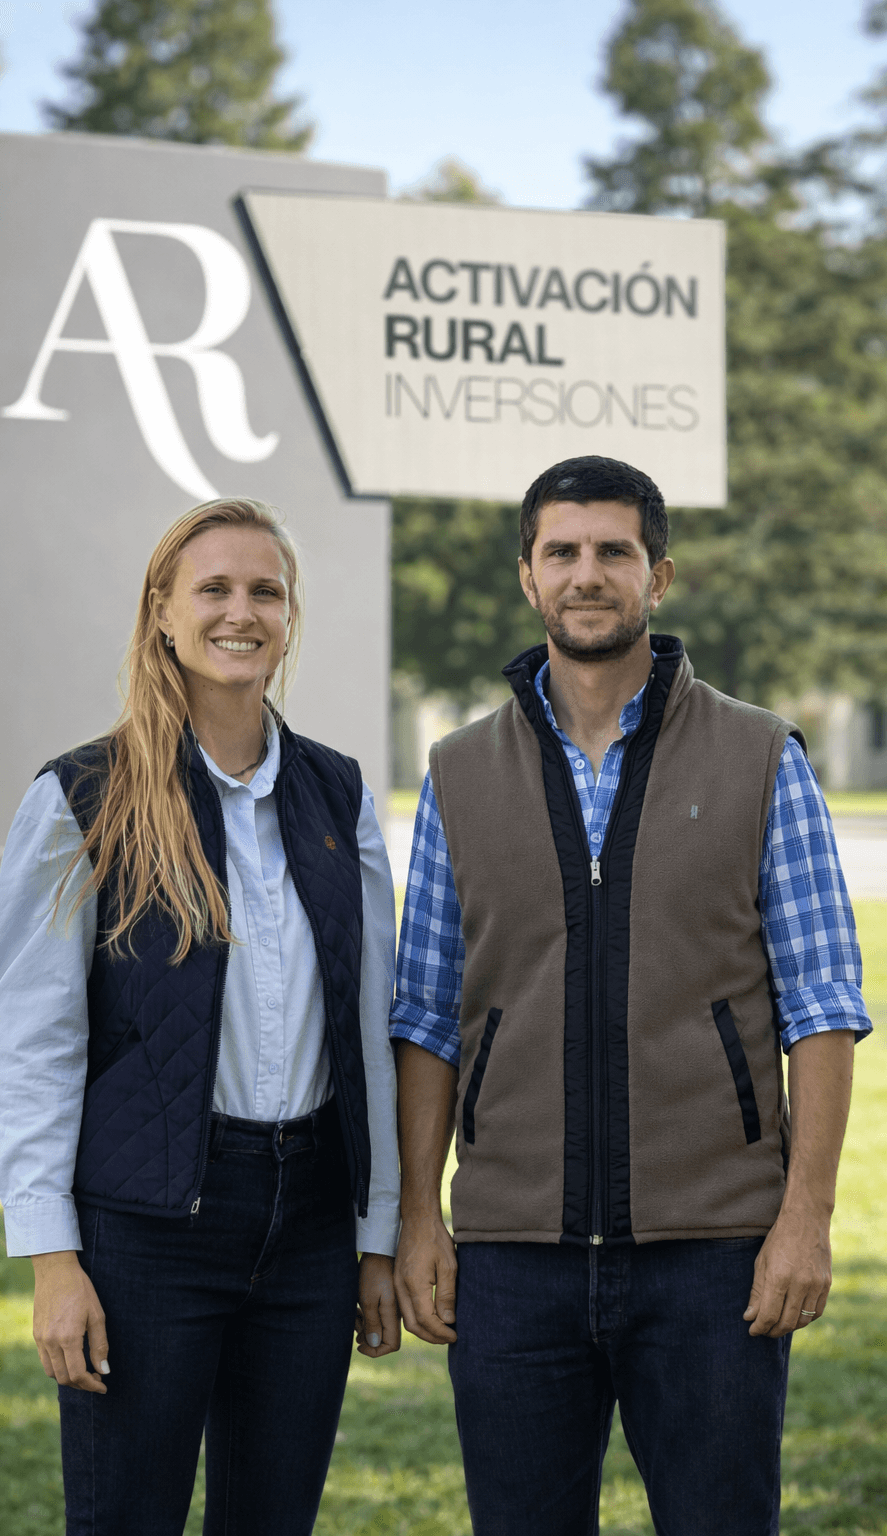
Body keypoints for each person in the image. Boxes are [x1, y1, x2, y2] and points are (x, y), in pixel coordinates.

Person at [390, 455, 870, 1535]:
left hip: (713, 1260)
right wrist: (419, 1215)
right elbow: (425, 1015)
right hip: (513, 1261)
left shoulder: (759, 758)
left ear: (661, 575)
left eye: (613, 551)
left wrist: (804, 1217)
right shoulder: (459, 772)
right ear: (526, 576)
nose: (586, 574)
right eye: (561, 551)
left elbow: (822, 1006)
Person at [0, 498, 401, 1536]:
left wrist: (378, 1233)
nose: (240, 611)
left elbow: (372, 1030)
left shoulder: (337, 795)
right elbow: (32, 1043)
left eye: (266, 590)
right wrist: (51, 1259)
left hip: (306, 1228)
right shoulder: (84, 795)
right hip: (146, 1229)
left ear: (290, 618)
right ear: (162, 613)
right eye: (212, 588)